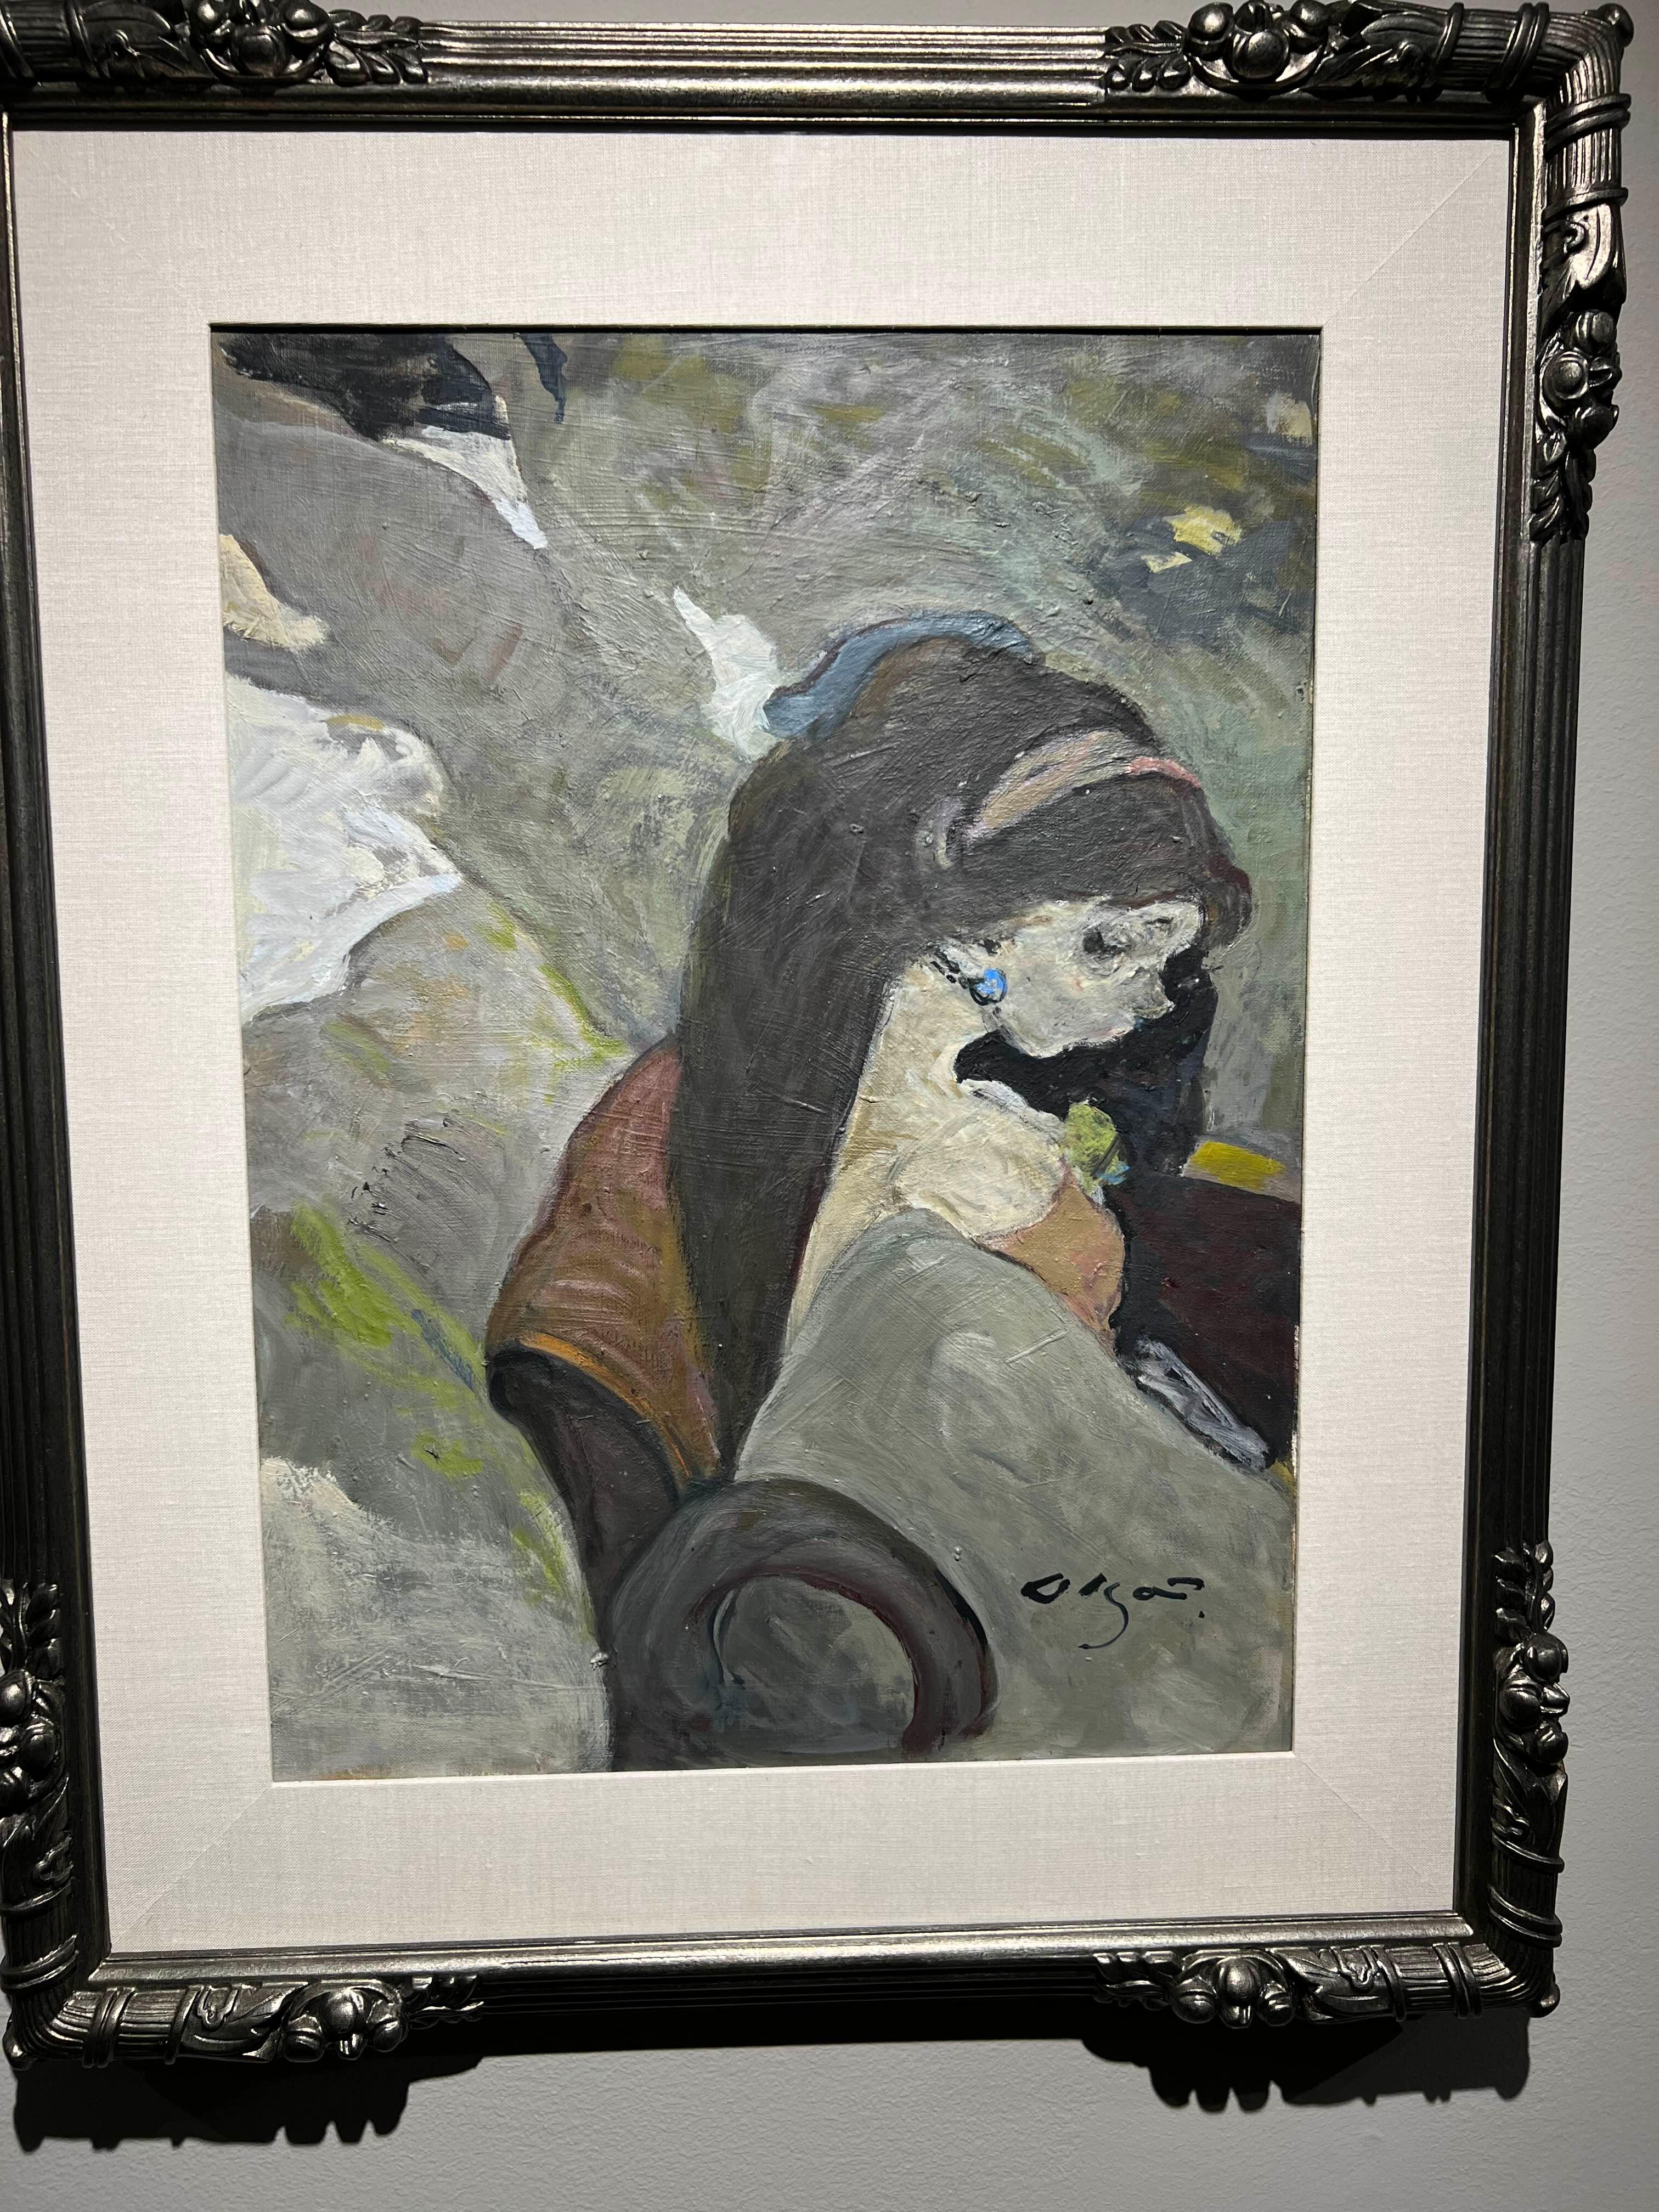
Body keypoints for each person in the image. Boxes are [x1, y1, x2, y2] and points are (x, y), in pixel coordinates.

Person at [488, 620, 1295, 1767]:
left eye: (1167, 958)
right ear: (962, 932)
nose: (1151, 999)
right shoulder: (692, 1133)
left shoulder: (1016, 1136)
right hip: (859, 1629)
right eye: (1109, 945)